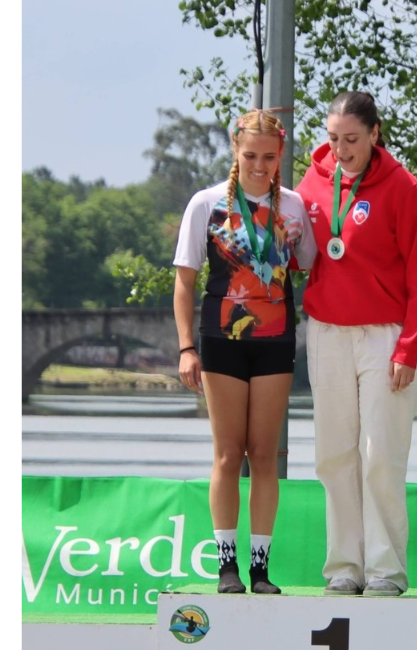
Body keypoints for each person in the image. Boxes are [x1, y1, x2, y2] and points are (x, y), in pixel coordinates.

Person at [294, 91, 417, 598]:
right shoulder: (310, 182)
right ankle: (344, 567)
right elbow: (298, 249)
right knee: (333, 453)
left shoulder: (404, 188)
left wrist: (409, 348)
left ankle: (385, 571)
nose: (341, 149)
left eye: (352, 139)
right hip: (327, 332)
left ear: (375, 133)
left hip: (386, 335)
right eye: (334, 139)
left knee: (380, 453)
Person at [172, 108, 317, 595]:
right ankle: (227, 567)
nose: (260, 165)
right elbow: (184, 282)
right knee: (229, 455)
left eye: (270, 157)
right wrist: (186, 347)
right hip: (221, 340)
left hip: (275, 341)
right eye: (251, 155)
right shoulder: (206, 204)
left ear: (281, 157)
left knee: (265, 456)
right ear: (236, 150)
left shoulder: (294, 207)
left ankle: (261, 569)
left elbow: (313, 265)